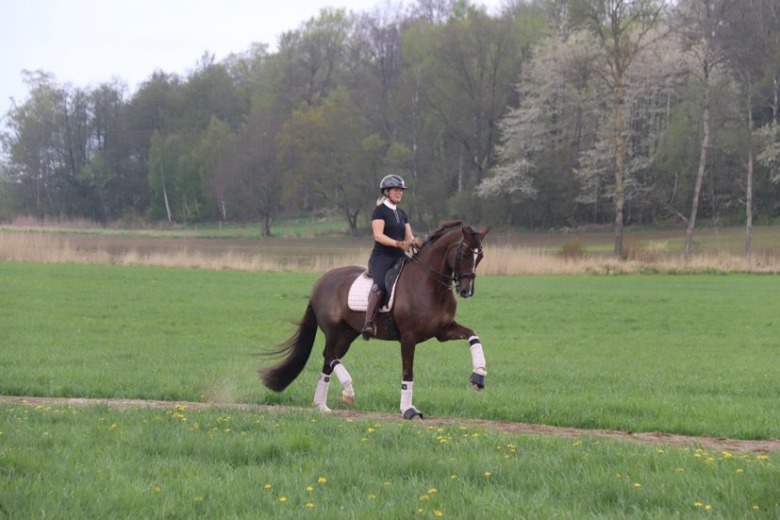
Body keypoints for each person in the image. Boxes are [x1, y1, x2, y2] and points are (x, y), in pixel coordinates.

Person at [361, 174, 417, 340]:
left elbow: (409, 238)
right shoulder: (380, 211)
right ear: (386, 192)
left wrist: (418, 242)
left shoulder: (402, 213)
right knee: (380, 285)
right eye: (396, 190)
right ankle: (368, 323)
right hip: (382, 257)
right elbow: (378, 236)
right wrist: (398, 244)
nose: (399, 193)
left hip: (400, 256)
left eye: (401, 190)